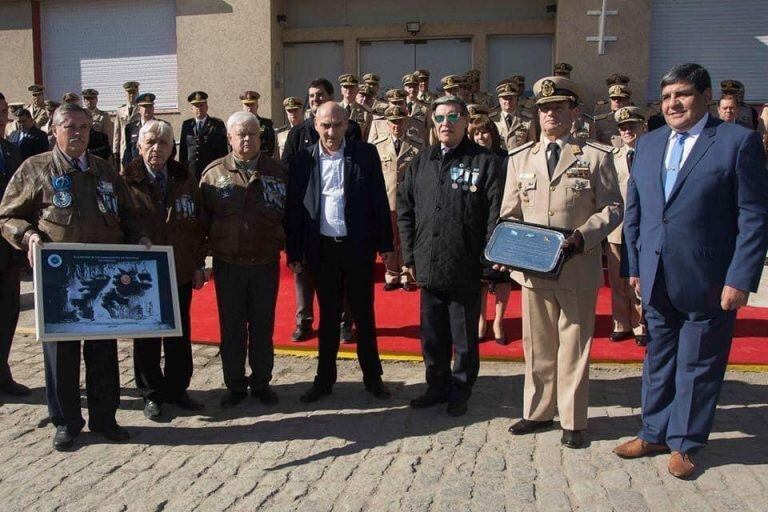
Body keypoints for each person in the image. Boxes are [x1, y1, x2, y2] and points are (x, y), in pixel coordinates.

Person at [614, 63, 768, 479]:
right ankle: (653, 431)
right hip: (657, 273)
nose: (672, 104)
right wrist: (634, 265)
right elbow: (638, 212)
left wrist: (740, 278)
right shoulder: (649, 145)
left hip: (710, 280)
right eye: (665, 97)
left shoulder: (737, 143)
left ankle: (685, 443)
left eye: (681, 95)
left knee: (699, 363)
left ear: (706, 97)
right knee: (658, 359)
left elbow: (753, 216)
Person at [0, 103, 146, 450]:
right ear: (54, 130)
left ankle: (104, 418)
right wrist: (29, 236)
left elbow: (129, 214)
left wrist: (140, 238)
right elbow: (7, 216)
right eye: (70, 126)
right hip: (61, 281)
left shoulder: (105, 171)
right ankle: (66, 421)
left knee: (103, 352)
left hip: (104, 280)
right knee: (61, 355)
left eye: (83, 126)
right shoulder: (35, 169)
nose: (78, 132)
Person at [497, 76, 623, 448]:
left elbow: (613, 207)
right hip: (534, 269)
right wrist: (511, 245)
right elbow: (510, 212)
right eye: (543, 108)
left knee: (574, 344)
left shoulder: (596, 156)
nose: (550, 114)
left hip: (577, 265)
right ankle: (537, 412)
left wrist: (583, 235)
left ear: (574, 111)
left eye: (557, 107)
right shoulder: (521, 158)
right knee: (536, 343)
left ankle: (572, 419)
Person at [398, 96, 501, 416]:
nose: (446, 123)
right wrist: (409, 256)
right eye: (440, 117)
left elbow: (495, 214)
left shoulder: (485, 162)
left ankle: (460, 388)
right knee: (432, 334)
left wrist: (488, 261)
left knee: (464, 335)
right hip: (428, 262)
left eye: (453, 116)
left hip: (465, 264)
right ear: (432, 122)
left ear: (466, 121)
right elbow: (406, 211)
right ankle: (436, 384)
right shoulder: (421, 162)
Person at [285, 101, 393, 403]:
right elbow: (293, 209)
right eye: (325, 125)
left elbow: (379, 203)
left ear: (347, 124)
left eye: (337, 125)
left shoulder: (365, 155)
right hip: (322, 250)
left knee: (363, 315)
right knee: (328, 317)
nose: (331, 131)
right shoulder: (302, 160)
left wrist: (386, 246)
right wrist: (294, 250)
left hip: (357, 248)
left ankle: (373, 378)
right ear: (315, 125)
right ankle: (324, 380)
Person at [200, 111, 287, 409]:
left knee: (263, 327)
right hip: (229, 264)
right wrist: (201, 260)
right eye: (242, 134)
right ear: (229, 138)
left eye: (253, 134)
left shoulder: (277, 171)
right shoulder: (213, 175)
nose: (248, 139)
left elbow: (291, 216)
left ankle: (262, 382)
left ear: (261, 138)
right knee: (232, 328)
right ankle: (235, 384)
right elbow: (202, 222)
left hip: (265, 263)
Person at [121, 120, 207, 420]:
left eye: (164, 143)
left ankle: (177, 389)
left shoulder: (184, 178)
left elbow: (198, 224)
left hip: (179, 267)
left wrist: (198, 264)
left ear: (173, 148)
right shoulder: (126, 181)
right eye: (151, 142)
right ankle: (151, 394)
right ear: (139, 146)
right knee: (146, 335)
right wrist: (136, 240)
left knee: (179, 332)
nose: (157, 148)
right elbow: (119, 224)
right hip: (142, 273)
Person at [281, 78, 362, 343]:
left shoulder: (350, 130)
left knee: (344, 279)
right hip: (308, 217)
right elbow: (288, 175)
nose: (314, 100)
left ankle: (344, 321)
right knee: (303, 275)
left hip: (341, 222)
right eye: (311, 96)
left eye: (319, 95)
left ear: (331, 97)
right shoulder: (298, 133)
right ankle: (304, 320)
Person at [467, 115, 512, 345]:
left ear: (493, 134)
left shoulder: (505, 159)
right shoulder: (468, 159)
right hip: (476, 223)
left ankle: (499, 321)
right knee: (481, 277)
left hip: (503, 221)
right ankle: (481, 320)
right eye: (475, 133)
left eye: (484, 132)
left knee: (502, 276)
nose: (480, 137)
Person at [607, 107, 647, 346]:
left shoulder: (653, 155)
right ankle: (620, 322)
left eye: (632, 126)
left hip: (643, 228)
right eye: (623, 127)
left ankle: (640, 324)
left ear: (643, 127)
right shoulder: (611, 157)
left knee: (639, 279)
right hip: (617, 228)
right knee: (617, 280)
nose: (628, 131)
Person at [372, 105, 423, 291]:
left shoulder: (416, 145)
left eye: (400, 121)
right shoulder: (379, 146)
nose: (397, 126)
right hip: (388, 199)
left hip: (409, 200)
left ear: (406, 122)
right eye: (393, 122)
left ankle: (406, 275)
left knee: (407, 238)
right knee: (390, 238)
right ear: (387, 123)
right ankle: (391, 274)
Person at [0, 95, 29, 397]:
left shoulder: (12, 150)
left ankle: (3, 373)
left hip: (8, 247)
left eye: (3, 112)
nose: (1, 118)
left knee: (8, 313)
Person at [179, 91, 228, 180]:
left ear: (206, 107)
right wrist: (182, 170)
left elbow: (223, 150)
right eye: (196, 106)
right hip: (191, 171)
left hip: (211, 170)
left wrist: (222, 170)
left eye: (201, 105)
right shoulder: (187, 125)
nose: (199, 108)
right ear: (192, 109)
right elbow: (183, 149)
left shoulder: (217, 124)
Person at [494, 81, 535, 151]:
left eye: (511, 98)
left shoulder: (527, 119)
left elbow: (532, 145)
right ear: (499, 100)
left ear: (516, 99)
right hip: (499, 160)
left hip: (520, 159)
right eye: (505, 98)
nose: (508, 101)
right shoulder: (493, 119)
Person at [122, 93, 157, 167]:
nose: (147, 109)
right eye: (144, 106)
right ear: (138, 109)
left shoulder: (163, 126)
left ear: (153, 108)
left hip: (156, 168)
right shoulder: (130, 128)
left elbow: (171, 150)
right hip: (137, 170)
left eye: (150, 106)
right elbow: (128, 151)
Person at [239, 90, 277, 157]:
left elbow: (269, 148)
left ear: (257, 106)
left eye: (252, 104)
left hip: (260, 163)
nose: (249, 108)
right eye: (247, 105)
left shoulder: (266, 125)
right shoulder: (237, 124)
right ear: (242, 106)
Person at [113, 81, 140, 169]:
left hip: (137, 148)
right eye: (129, 93)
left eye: (133, 92)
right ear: (125, 93)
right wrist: (115, 151)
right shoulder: (120, 111)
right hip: (124, 147)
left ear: (138, 92)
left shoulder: (142, 109)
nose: (131, 95)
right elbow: (117, 132)